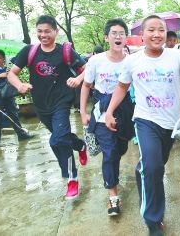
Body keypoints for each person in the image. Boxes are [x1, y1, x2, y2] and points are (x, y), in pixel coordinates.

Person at [105, 15, 180, 235]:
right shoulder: (132, 61)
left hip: (171, 123)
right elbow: (121, 87)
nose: (157, 34)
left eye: (161, 30)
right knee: (154, 168)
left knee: (155, 165)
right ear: (141, 36)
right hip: (145, 120)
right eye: (151, 30)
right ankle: (153, 219)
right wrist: (109, 111)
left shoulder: (178, 56)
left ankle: (143, 168)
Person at [7, 15, 87, 199]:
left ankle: (72, 179)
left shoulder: (65, 52)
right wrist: (19, 85)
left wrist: (77, 79)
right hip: (41, 106)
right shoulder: (29, 51)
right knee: (63, 137)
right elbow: (12, 73)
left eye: (47, 31)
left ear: (56, 32)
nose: (43, 35)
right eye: (40, 31)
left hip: (61, 102)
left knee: (57, 140)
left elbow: (86, 68)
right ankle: (80, 145)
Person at [80, 18, 134, 216]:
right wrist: (83, 112)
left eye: (121, 33)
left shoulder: (132, 61)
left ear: (125, 38)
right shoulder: (95, 61)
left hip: (125, 112)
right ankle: (113, 197)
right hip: (102, 113)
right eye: (114, 33)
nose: (118, 36)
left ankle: (113, 170)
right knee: (109, 153)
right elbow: (86, 86)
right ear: (106, 37)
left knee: (120, 149)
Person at [0, 50, 34, 149]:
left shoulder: (6, 68)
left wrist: (9, 75)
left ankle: (21, 134)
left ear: (4, 59)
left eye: (0, 58)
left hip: (8, 95)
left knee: (14, 114)